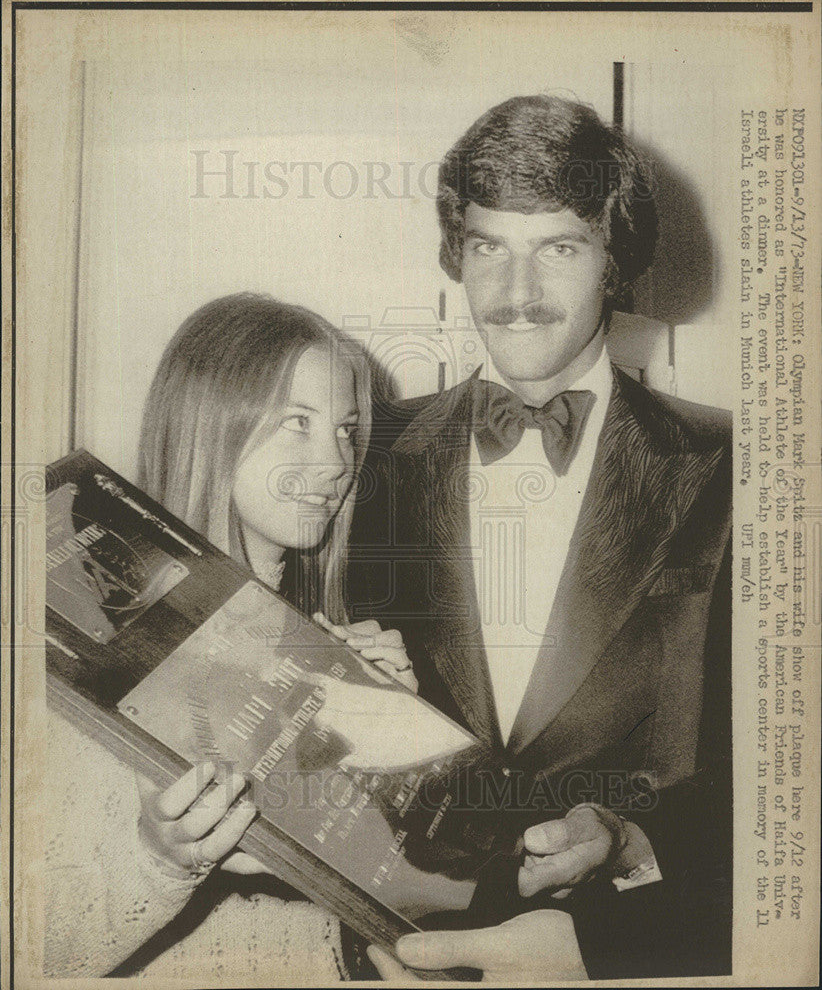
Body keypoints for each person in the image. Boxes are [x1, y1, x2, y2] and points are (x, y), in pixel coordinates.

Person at [349, 94, 732, 979]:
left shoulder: (740, 465)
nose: (516, 297)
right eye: (489, 248)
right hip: (391, 952)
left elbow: (778, 785)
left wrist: (629, 836)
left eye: (558, 248)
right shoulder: (363, 454)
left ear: (614, 261)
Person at [45, 293, 415, 980]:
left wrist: (400, 744)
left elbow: (375, 881)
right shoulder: (98, 646)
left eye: (346, 428)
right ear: (210, 427)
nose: (337, 461)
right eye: (297, 423)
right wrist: (159, 860)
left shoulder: (319, 629)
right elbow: (34, 946)